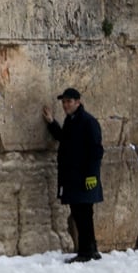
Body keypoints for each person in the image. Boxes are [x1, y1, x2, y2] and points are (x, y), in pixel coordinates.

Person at [43, 87, 104, 263]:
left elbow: (96, 150)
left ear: (78, 102)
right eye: (64, 102)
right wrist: (51, 123)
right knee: (80, 214)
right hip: (74, 177)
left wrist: (92, 175)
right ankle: (91, 249)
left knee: (83, 214)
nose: (65, 105)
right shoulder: (72, 121)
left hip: (83, 178)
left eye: (69, 102)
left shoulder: (88, 121)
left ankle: (86, 252)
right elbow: (64, 138)